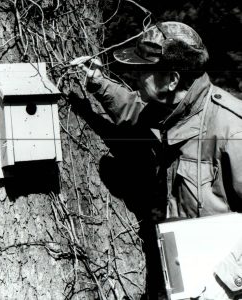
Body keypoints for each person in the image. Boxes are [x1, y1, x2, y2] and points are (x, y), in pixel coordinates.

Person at [71, 21, 242, 299]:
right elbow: (136, 112)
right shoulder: (172, 110)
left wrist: (227, 280)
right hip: (186, 279)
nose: (135, 76)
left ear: (172, 79)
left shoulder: (230, 128)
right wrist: (98, 83)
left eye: (143, 71)